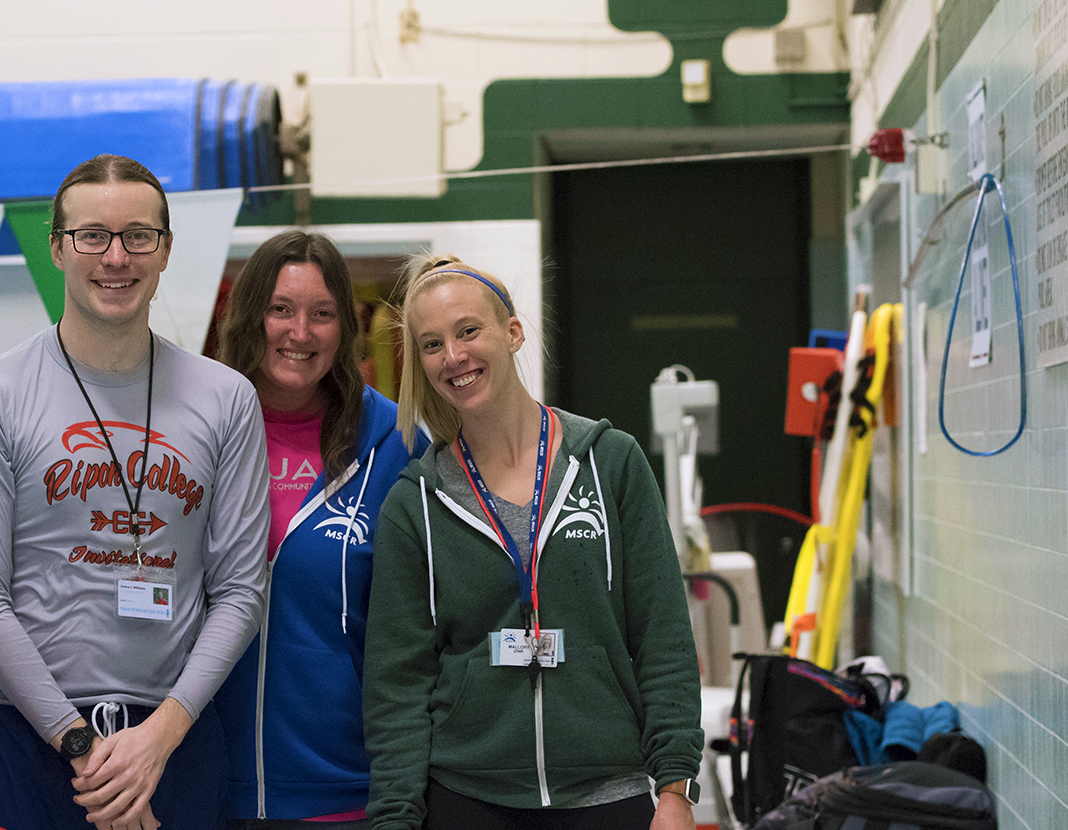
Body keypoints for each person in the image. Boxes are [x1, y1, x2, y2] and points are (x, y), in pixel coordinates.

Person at [0, 154, 268, 830]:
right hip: (27, 738)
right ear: (57, 248)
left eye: (138, 236)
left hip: (174, 739)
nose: (116, 257)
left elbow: (241, 591)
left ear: (167, 250)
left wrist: (159, 740)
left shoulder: (226, 399)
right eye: (93, 235)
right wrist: (87, 752)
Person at [363, 255, 703, 830]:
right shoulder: (415, 503)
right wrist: (395, 819)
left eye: (469, 331)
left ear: (512, 332)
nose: (454, 357)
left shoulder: (610, 464)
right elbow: (398, 685)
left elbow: (662, 634)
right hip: (467, 798)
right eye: (431, 344)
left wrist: (676, 790)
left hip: (608, 793)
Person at [212, 231, 420, 829]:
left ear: (345, 330)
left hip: (345, 791)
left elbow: (422, 635)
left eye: (322, 314)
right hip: (198, 781)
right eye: (280, 309)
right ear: (250, 316)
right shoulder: (197, 427)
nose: (300, 333)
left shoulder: (396, 446)